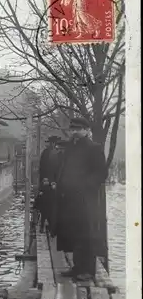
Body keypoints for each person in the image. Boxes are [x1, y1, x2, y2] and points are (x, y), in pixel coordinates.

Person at [52, 117, 107, 281]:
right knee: (74, 233)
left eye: (78, 129)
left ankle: (88, 270)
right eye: (72, 129)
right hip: (68, 199)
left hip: (85, 200)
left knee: (86, 234)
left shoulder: (94, 148)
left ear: (86, 130)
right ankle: (77, 267)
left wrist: (85, 187)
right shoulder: (70, 149)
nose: (74, 132)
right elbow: (64, 169)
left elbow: (101, 174)